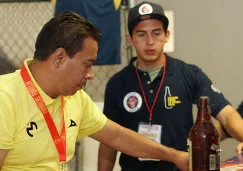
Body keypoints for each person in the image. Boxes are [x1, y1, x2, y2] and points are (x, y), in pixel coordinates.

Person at [0, 11, 189, 171]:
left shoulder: (75, 98)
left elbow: (116, 136)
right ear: (59, 57)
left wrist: (174, 156)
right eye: (87, 64)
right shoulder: (5, 98)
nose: (90, 75)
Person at [98, 1, 243, 171]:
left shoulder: (189, 74)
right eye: (141, 34)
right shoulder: (117, 84)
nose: (150, 41)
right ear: (130, 39)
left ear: (166, 35)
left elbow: (227, 115)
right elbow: (108, 142)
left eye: (156, 33)